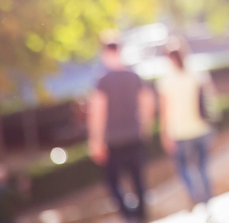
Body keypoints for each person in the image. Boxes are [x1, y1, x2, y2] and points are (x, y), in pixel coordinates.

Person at [87, 33, 155, 223]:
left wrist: (95, 141)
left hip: (114, 141)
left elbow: (97, 113)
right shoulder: (134, 76)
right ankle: (142, 216)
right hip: (134, 135)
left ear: (104, 52)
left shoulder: (103, 80)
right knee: (138, 182)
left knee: (113, 182)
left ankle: (129, 215)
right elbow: (148, 100)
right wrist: (144, 125)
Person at [157, 43, 213, 206]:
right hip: (201, 128)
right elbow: (209, 98)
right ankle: (207, 199)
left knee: (184, 169)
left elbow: (164, 112)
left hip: (180, 132)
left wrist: (164, 134)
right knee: (202, 168)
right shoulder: (197, 74)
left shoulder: (166, 80)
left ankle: (196, 195)